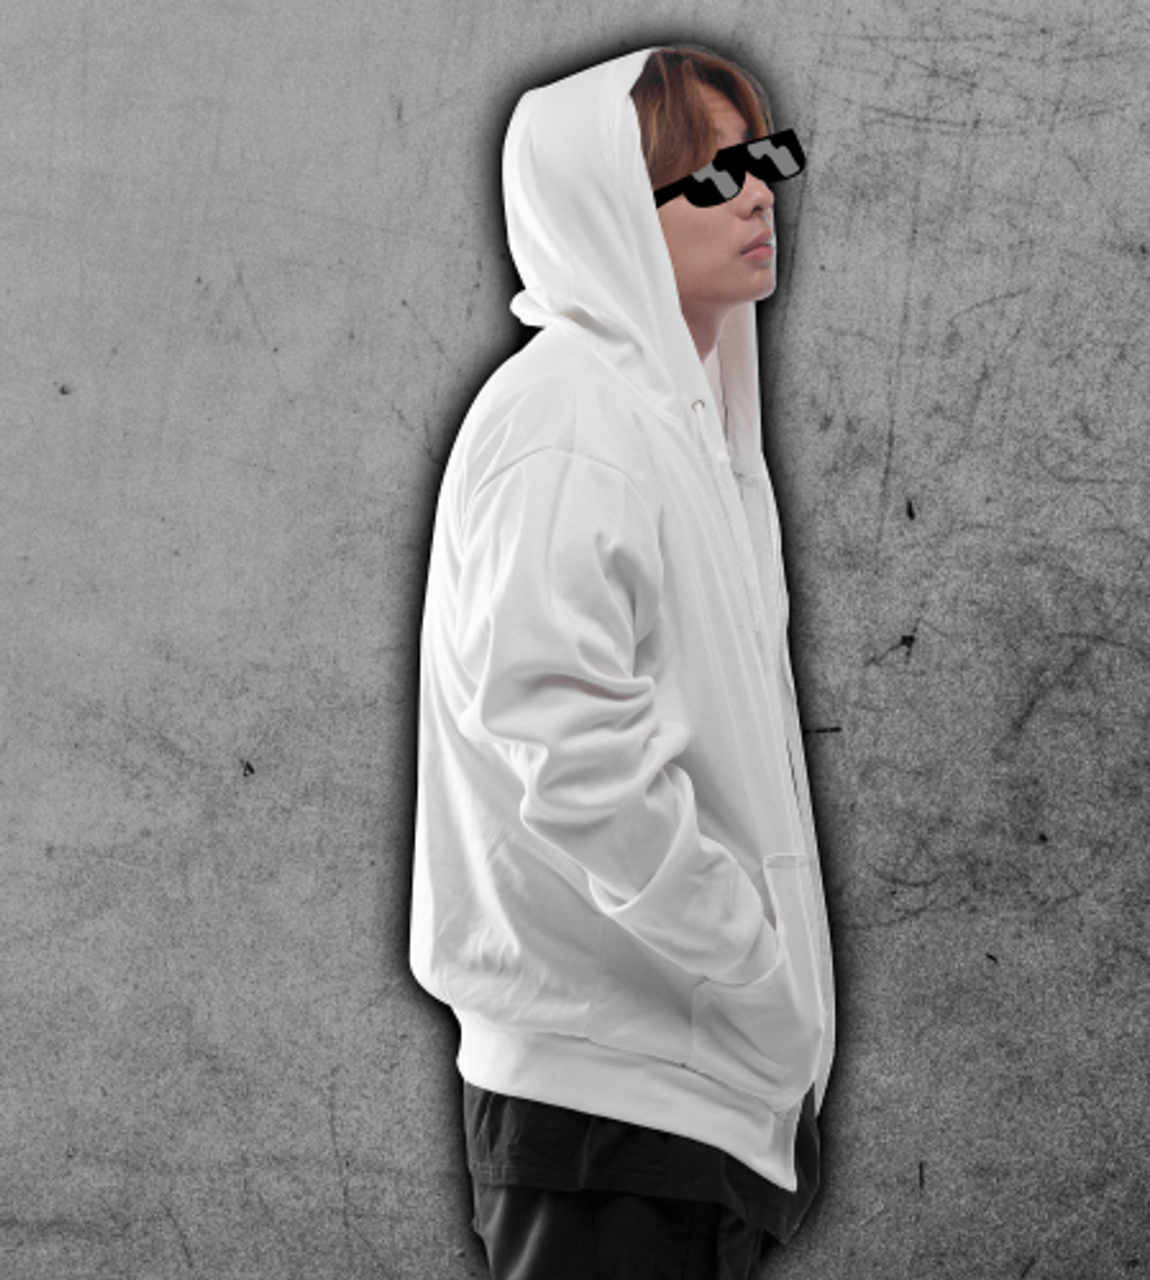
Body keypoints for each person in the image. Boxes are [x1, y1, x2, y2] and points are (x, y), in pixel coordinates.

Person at [409, 44, 836, 1280]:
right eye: (707, 176)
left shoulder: (676, 425)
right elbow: (565, 741)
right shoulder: (567, 419)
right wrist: (747, 959)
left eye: (761, 159)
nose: (754, 195)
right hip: (607, 1107)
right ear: (600, 209)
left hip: (677, 1094)